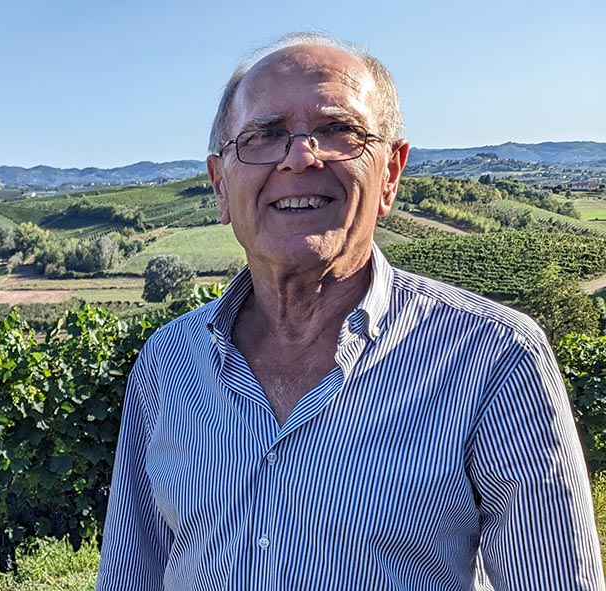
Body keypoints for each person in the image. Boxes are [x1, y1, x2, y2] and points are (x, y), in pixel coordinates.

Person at [95, 32, 604, 591]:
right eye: (265, 135)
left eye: (338, 130)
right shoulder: (167, 365)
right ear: (220, 185)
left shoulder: (494, 358)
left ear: (390, 173)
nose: (300, 157)